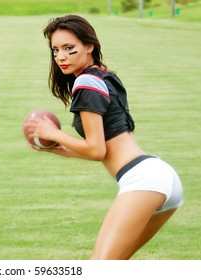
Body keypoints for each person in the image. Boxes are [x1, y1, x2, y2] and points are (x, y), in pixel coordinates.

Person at [24, 15, 183, 259]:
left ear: (90, 46)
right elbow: (107, 147)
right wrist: (62, 149)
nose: (61, 57)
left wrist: (54, 133)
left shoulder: (86, 82)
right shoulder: (103, 76)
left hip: (143, 179)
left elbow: (97, 150)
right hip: (160, 175)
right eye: (56, 50)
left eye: (69, 48)